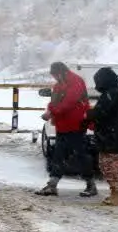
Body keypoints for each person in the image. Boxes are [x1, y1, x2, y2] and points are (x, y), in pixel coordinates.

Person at [36, 61, 97, 197]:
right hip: (63, 125)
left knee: (81, 155)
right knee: (59, 155)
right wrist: (50, 111)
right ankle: (52, 185)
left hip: (76, 124)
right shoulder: (58, 85)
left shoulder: (76, 81)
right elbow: (55, 101)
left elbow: (69, 102)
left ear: (62, 72)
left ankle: (91, 185)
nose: (55, 78)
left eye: (56, 75)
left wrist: (51, 111)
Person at [87, 66, 118, 206]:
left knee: (110, 165)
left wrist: (87, 115)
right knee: (109, 164)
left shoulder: (111, 94)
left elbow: (101, 112)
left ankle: (115, 194)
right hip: (112, 135)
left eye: (97, 81)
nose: (97, 84)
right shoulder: (115, 92)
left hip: (112, 136)